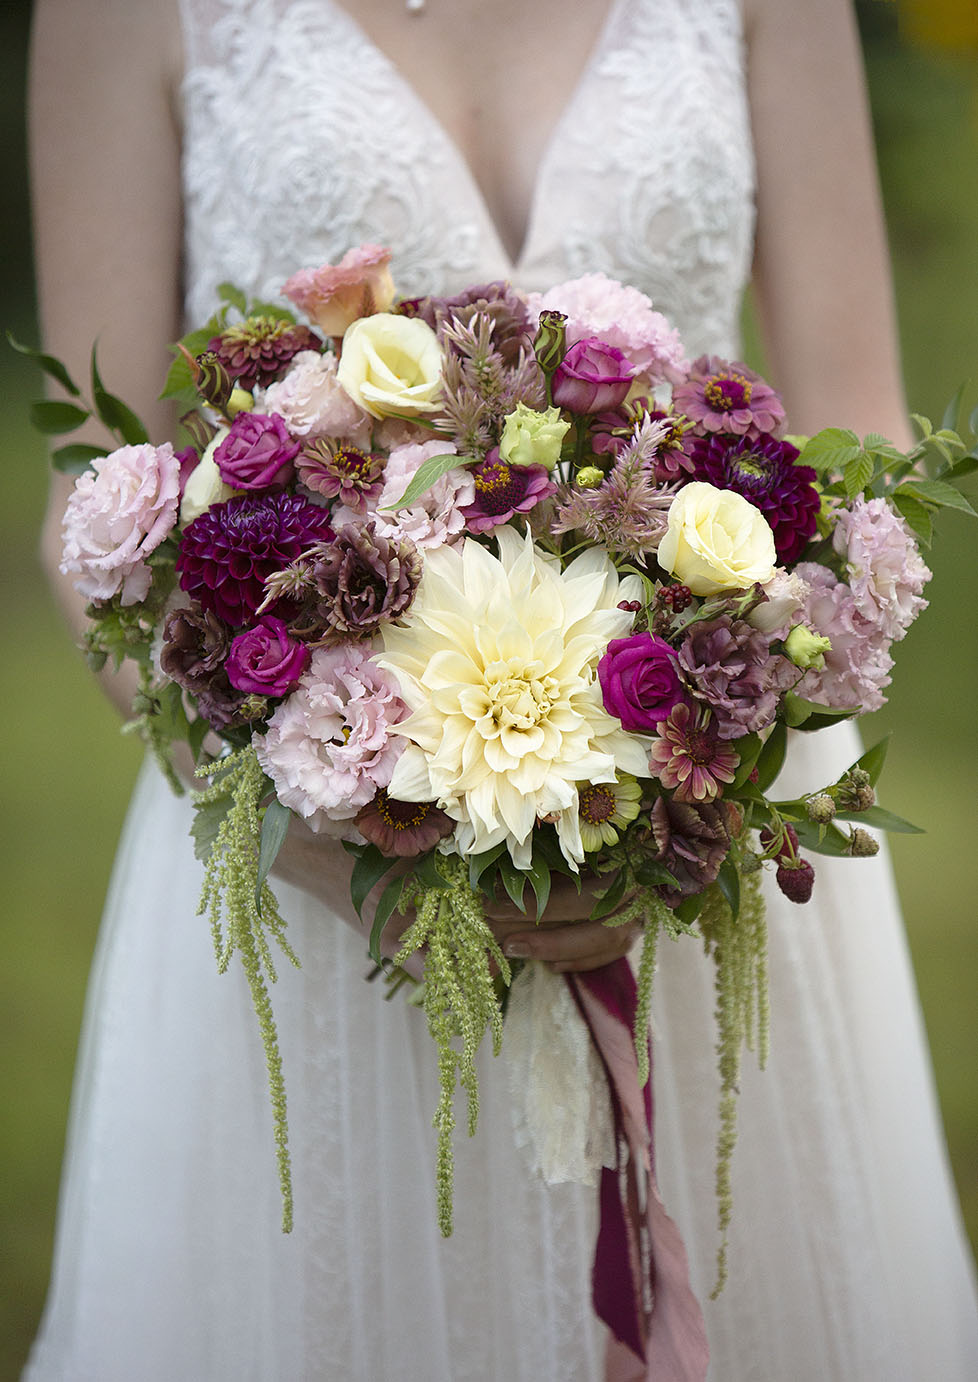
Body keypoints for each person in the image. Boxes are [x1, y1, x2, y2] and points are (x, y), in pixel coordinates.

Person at [25, 0, 978, 1377]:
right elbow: (94, 498)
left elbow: (860, 420)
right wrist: (340, 850)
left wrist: (703, 761)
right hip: (318, 859)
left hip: (703, 846)